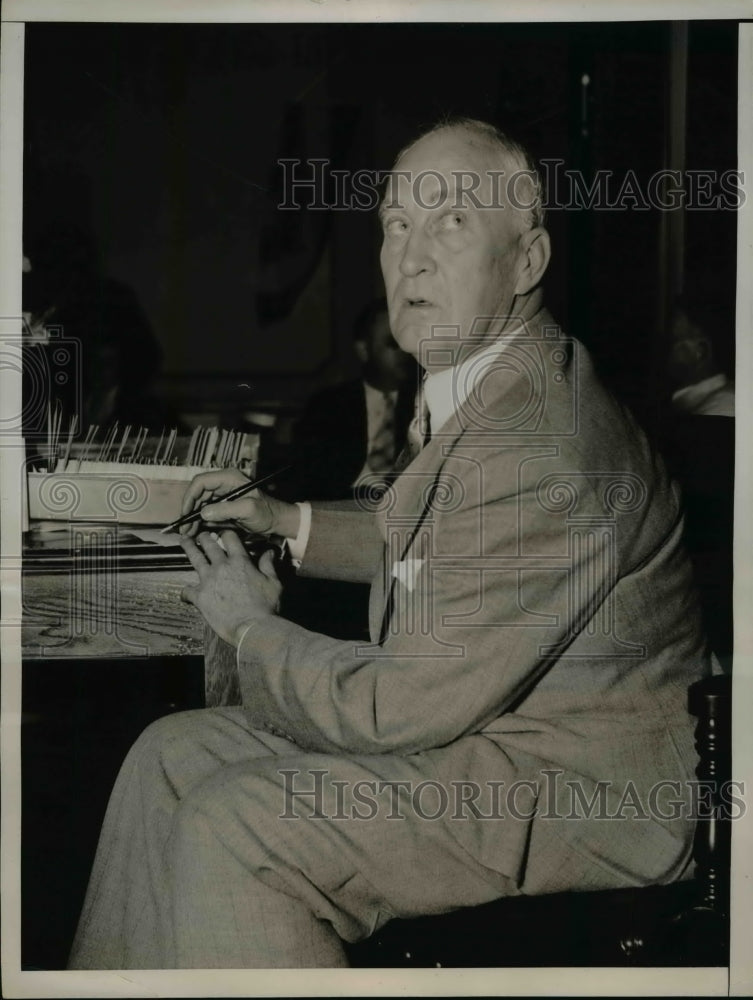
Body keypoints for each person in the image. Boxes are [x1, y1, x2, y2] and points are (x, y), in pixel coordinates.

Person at [68, 118, 711, 970]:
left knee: (242, 824)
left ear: (527, 262)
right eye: (397, 224)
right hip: (497, 732)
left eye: (451, 222)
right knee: (170, 755)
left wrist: (252, 630)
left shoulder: (540, 443)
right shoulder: (499, 371)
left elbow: (397, 709)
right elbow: (439, 544)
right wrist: (285, 524)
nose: (409, 257)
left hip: (584, 789)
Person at [288, 299, 418, 501]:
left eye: (407, 341)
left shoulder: (425, 403)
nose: (405, 352)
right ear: (363, 350)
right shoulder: (328, 406)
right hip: (341, 509)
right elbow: (308, 478)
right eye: (393, 343)